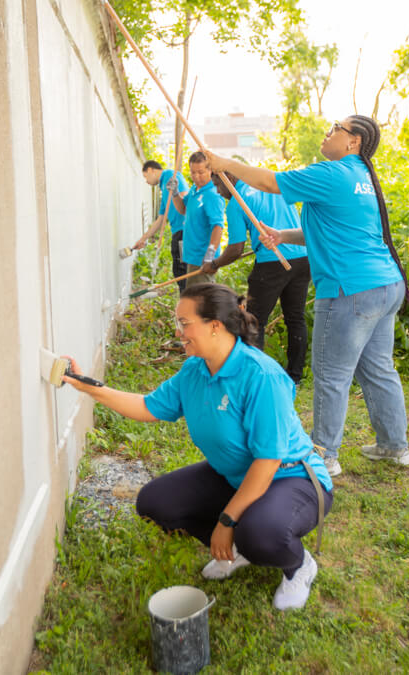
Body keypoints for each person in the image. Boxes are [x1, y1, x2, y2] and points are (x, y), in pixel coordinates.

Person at [63, 283, 333, 611]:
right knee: (156, 502)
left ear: (215, 326)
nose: (178, 331)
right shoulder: (195, 370)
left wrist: (227, 520)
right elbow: (148, 407)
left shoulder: (261, 376)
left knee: (260, 532)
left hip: (291, 478)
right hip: (235, 475)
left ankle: (297, 564)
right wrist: (88, 386)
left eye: (184, 323)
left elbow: (267, 462)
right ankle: (235, 550)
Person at [205, 116, 409, 478]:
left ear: (354, 141)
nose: (328, 131)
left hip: (352, 290)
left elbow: (269, 182)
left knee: (331, 374)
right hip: (385, 285)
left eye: (337, 128)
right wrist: (283, 235)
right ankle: (395, 446)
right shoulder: (361, 177)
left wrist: (225, 164)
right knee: (379, 369)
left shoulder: (333, 173)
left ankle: (324, 455)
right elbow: (337, 229)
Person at [205, 171, 312, 384]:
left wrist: (214, 264)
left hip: (273, 262)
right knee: (296, 317)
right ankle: (295, 376)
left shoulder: (237, 203)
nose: (218, 191)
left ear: (228, 179)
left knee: (253, 321)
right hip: (303, 258)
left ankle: (255, 376)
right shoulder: (272, 189)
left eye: (217, 185)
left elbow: (235, 249)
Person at [135, 161, 191, 290]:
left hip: (184, 231)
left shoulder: (171, 175)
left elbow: (184, 198)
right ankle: (185, 301)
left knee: (183, 271)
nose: (146, 181)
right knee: (179, 270)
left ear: (151, 170)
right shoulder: (163, 188)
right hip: (178, 232)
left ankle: (188, 304)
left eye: (145, 176)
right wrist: (143, 239)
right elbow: (161, 219)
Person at [172, 151, 225, 286]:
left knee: (201, 299)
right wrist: (175, 193)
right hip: (192, 255)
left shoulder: (212, 194)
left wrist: (210, 253)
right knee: (194, 297)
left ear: (210, 170)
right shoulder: (195, 189)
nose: (196, 177)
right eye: (193, 172)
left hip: (202, 259)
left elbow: (218, 226)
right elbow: (183, 209)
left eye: (200, 172)